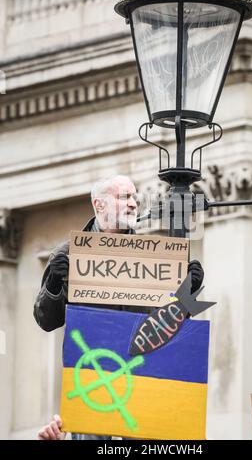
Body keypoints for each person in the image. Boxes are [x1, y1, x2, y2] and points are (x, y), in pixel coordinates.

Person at [34, 175, 204, 440]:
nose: (134, 203)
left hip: (142, 378)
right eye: (124, 197)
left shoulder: (154, 255)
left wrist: (187, 294)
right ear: (99, 205)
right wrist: (55, 284)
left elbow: (169, 327)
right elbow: (46, 320)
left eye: (135, 197)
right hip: (91, 379)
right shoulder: (68, 254)